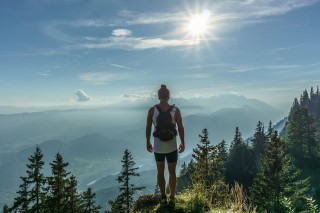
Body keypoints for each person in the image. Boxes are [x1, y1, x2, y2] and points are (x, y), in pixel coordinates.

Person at [146, 84, 185, 207]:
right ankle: (172, 197)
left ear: (158, 96)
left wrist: (148, 141)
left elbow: (148, 127)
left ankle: (163, 197)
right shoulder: (175, 110)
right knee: (172, 172)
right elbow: (180, 128)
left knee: (160, 171)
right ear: (169, 96)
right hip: (172, 146)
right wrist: (183, 142)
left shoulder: (152, 110)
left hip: (158, 146)